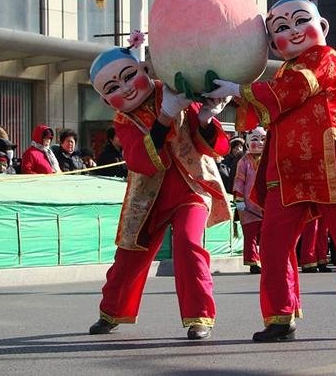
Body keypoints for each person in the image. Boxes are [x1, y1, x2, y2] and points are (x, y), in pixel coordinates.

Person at [204, 0, 336, 342]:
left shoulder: (326, 58)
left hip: (330, 164)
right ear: (272, 44)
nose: (294, 31)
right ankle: (280, 317)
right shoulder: (281, 73)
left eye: (301, 21)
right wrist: (226, 100)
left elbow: (295, 91)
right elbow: (270, 107)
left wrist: (238, 90)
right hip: (286, 171)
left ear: (323, 26)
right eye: (281, 29)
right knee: (273, 245)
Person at [86, 46, 232, 340]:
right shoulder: (123, 121)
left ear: (143, 70)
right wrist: (165, 116)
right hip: (147, 199)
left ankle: (200, 315)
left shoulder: (173, 89)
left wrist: (205, 118)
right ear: (104, 100)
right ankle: (111, 312)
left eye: (129, 77)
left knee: (189, 244)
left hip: (191, 189)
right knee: (129, 256)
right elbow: (140, 160)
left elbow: (214, 148)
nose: (126, 89)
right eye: (113, 88)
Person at [232, 127, 266, 274]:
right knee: (251, 235)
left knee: (266, 235)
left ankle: (266, 260)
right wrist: (239, 202)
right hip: (248, 205)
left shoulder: (268, 159)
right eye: (255, 139)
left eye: (263, 140)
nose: (259, 143)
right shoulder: (243, 161)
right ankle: (253, 261)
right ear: (247, 143)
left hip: (266, 204)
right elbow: (239, 182)